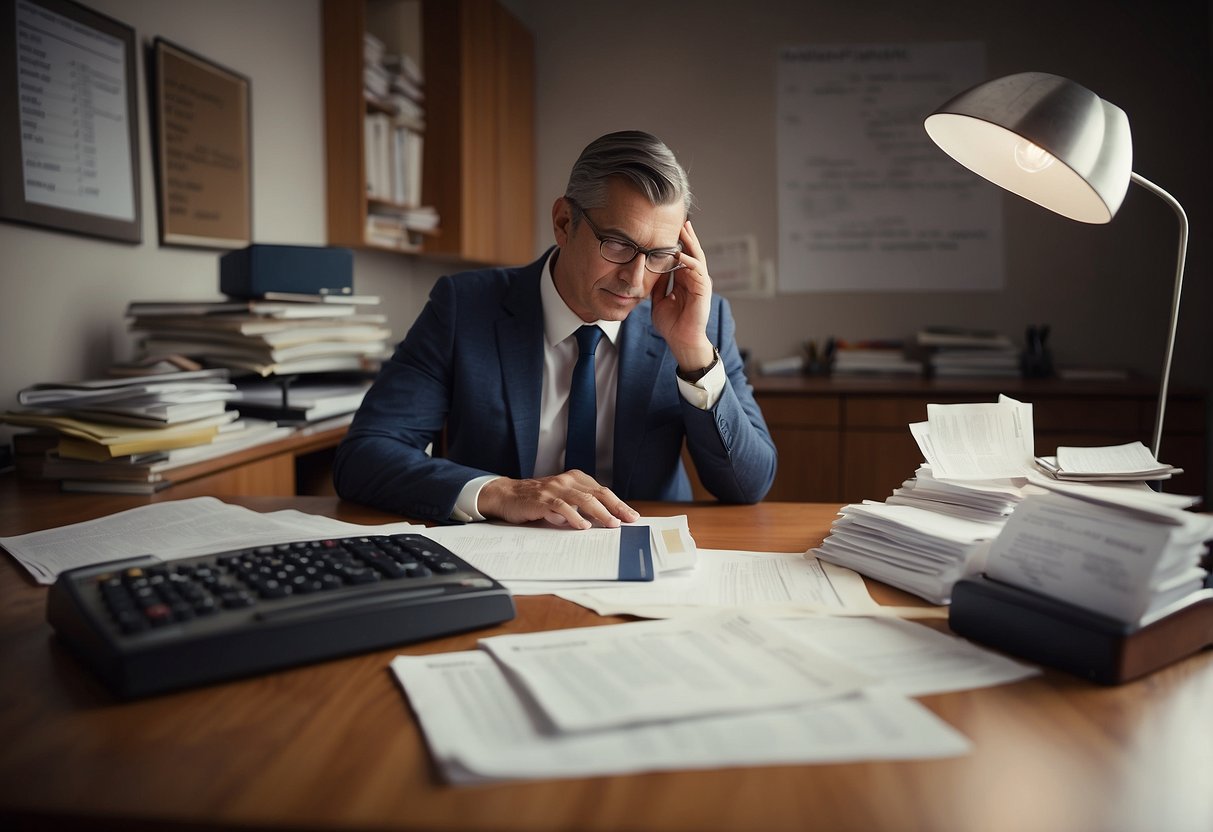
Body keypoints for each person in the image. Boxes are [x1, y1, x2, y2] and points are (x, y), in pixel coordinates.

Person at [333, 130, 776, 529]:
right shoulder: (463, 307)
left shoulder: (699, 320)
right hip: (499, 549)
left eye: (660, 255)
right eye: (618, 245)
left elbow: (747, 486)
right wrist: (501, 492)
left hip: (641, 550)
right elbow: (365, 455)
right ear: (565, 222)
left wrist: (693, 353)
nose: (637, 280)